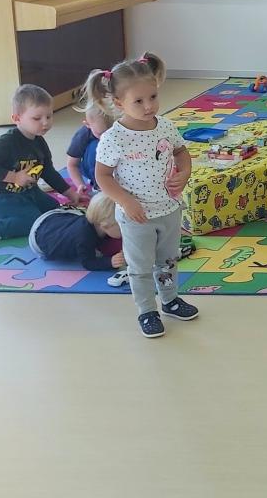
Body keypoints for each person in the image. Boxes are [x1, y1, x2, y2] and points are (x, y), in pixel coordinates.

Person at [90, 53, 197, 338]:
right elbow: (102, 176)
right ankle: (147, 311)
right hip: (136, 216)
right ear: (119, 103)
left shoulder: (165, 126)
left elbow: (181, 152)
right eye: (138, 101)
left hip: (169, 209)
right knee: (140, 267)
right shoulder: (114, 138)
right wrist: (125, 201)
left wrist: (185, 173)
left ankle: (170, 300)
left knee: (168, 260)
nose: (149, 106)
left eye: (153, 97)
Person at [0, 85, 83, 242]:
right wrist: (14, 177)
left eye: (49, 116)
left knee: (53, 210)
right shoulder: (7, 142)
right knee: (32, 221)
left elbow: (48, 172)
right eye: (37, 118)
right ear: (17, 118)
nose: (45, 123)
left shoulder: (39, 142)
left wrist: (70, 193)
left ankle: (1, 218)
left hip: (27, 192)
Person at [29, 191, 125, 273]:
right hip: (38, 240)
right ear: (105, 226)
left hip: (54, 217)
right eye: (122, 226)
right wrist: (110, 262)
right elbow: (88, 263)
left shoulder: (99, 224)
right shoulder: (84, 238)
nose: (126, 228)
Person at [66, 102, 114, 199]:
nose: (106, 139)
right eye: (100, 134)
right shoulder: (82, 136)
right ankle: (98, 185)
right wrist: (80, 184)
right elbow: (72, 164)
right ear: (87, 124)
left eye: (111, 134)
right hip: (92, 166)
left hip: (115, 166)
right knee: (97, 146)